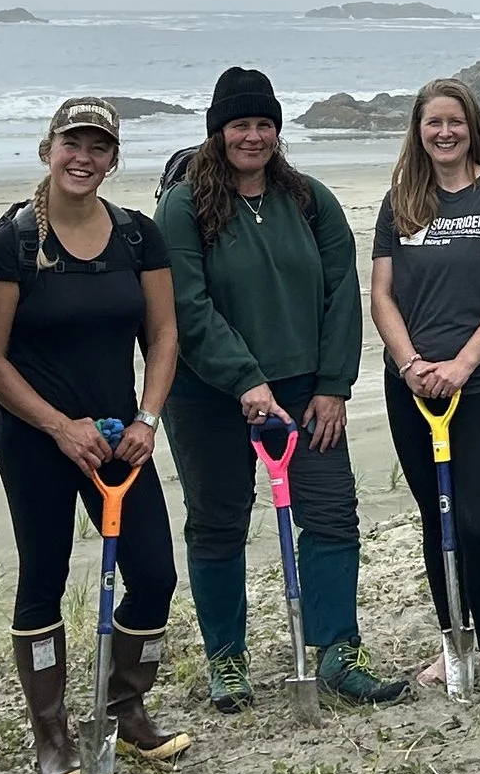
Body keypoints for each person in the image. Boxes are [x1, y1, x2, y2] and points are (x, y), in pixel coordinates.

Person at [155, 68, 406, 709]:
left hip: (304, 391)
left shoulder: (309, 199)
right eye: (240, 124)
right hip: (208, 393)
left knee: (330, 516)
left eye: (264, 123)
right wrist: (245, 380)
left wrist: (333, 386)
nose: (253, 135)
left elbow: (340, 296)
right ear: (218, 131)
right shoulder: (184, 205)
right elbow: (186, 304)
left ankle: (338, 652)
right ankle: (227, 660)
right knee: (217, 522)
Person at [0, 97, 189, 774]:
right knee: (44, 576)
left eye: (98, 147)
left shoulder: (136, 236)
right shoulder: (12, 242)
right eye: (72, 143)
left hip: (119, 440)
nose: (83, 157)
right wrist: (58, 427)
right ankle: (52, 731)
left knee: (154, 573)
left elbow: (163, 335)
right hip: (37, 436)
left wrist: (148, 419)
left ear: (113, 158)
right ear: (48, 149)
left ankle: (124, 709)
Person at [370, 79, 480, 696]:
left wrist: (462, 364)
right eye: (433, 123)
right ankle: (451, 644)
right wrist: (410, 362)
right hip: (412, 385)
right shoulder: (400, 203)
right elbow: (382, 294)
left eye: (455, 122)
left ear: (472, 127)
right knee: (435, 520)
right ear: (418, 131)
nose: (444, 133)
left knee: (475, 520)